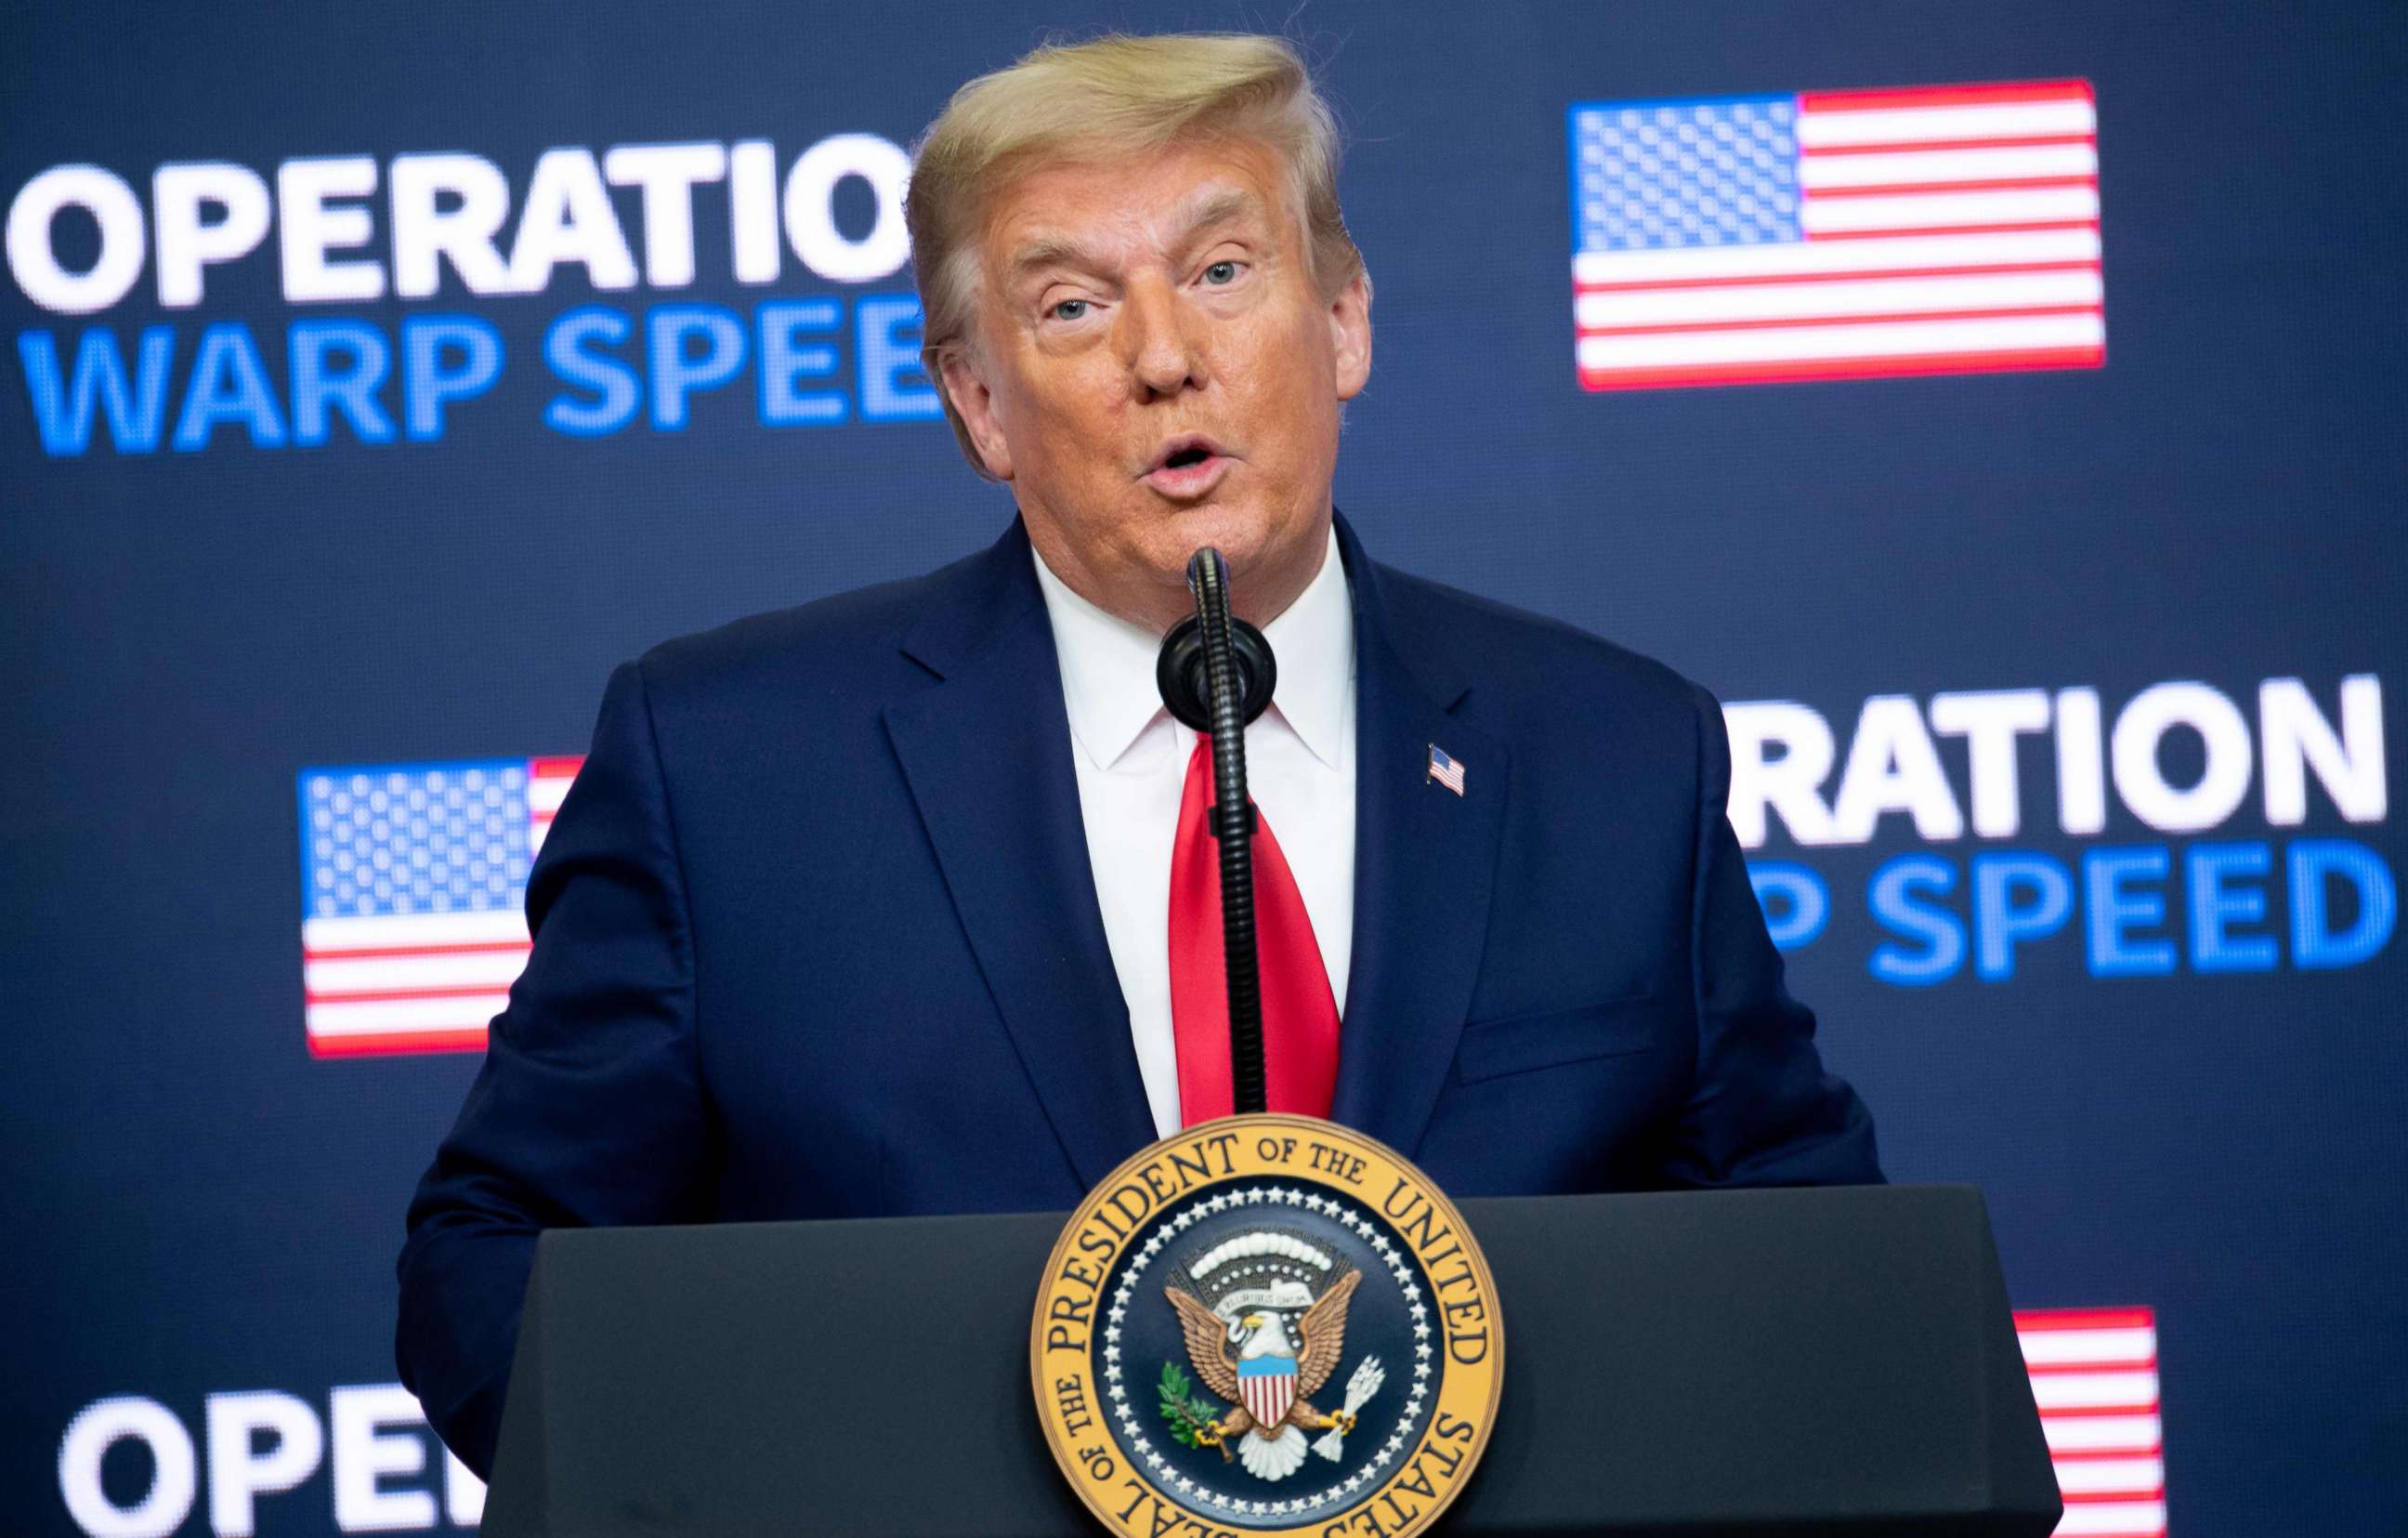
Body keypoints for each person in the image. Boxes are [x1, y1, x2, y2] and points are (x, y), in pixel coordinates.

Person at [396, 31, 1880, 1479]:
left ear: (1347, 320)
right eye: (1070, 308)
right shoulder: (731, 771)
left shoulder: (1614, 754)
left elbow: (1817, 1275)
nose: (1166, 357)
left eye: (1224, 273)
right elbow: (494, 1276)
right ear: (979, 401)